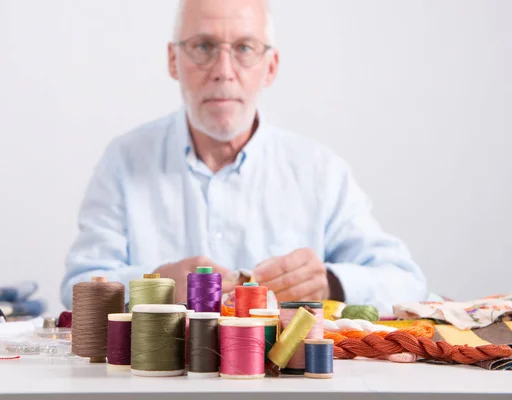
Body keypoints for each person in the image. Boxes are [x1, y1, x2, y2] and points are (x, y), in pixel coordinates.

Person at [60, 0, 427, 313]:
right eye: (203, 47)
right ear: (173, 60)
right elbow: (77, 289)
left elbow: (407, 282)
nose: (223, 72)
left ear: (271, 66)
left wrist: (329, 283)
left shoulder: (320, 172)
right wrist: (155, 285)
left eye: (245, 48)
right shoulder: (124, 161)